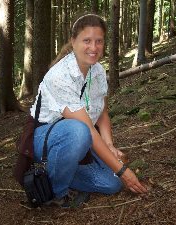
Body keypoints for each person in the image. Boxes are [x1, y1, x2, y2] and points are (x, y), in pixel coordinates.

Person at [30, 13, 147, 208]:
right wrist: (123, 171)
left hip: (80, 137)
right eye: (87, 40)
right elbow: (88, 130)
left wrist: (109, 145)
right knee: (79, 131)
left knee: (112, 184)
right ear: (73, 41)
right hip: (48, 136)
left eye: (99, 41)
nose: (93, 48)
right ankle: (56, 191)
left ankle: (60, 169)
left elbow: (102, 112)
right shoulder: (59, 76)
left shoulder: (98, 71)